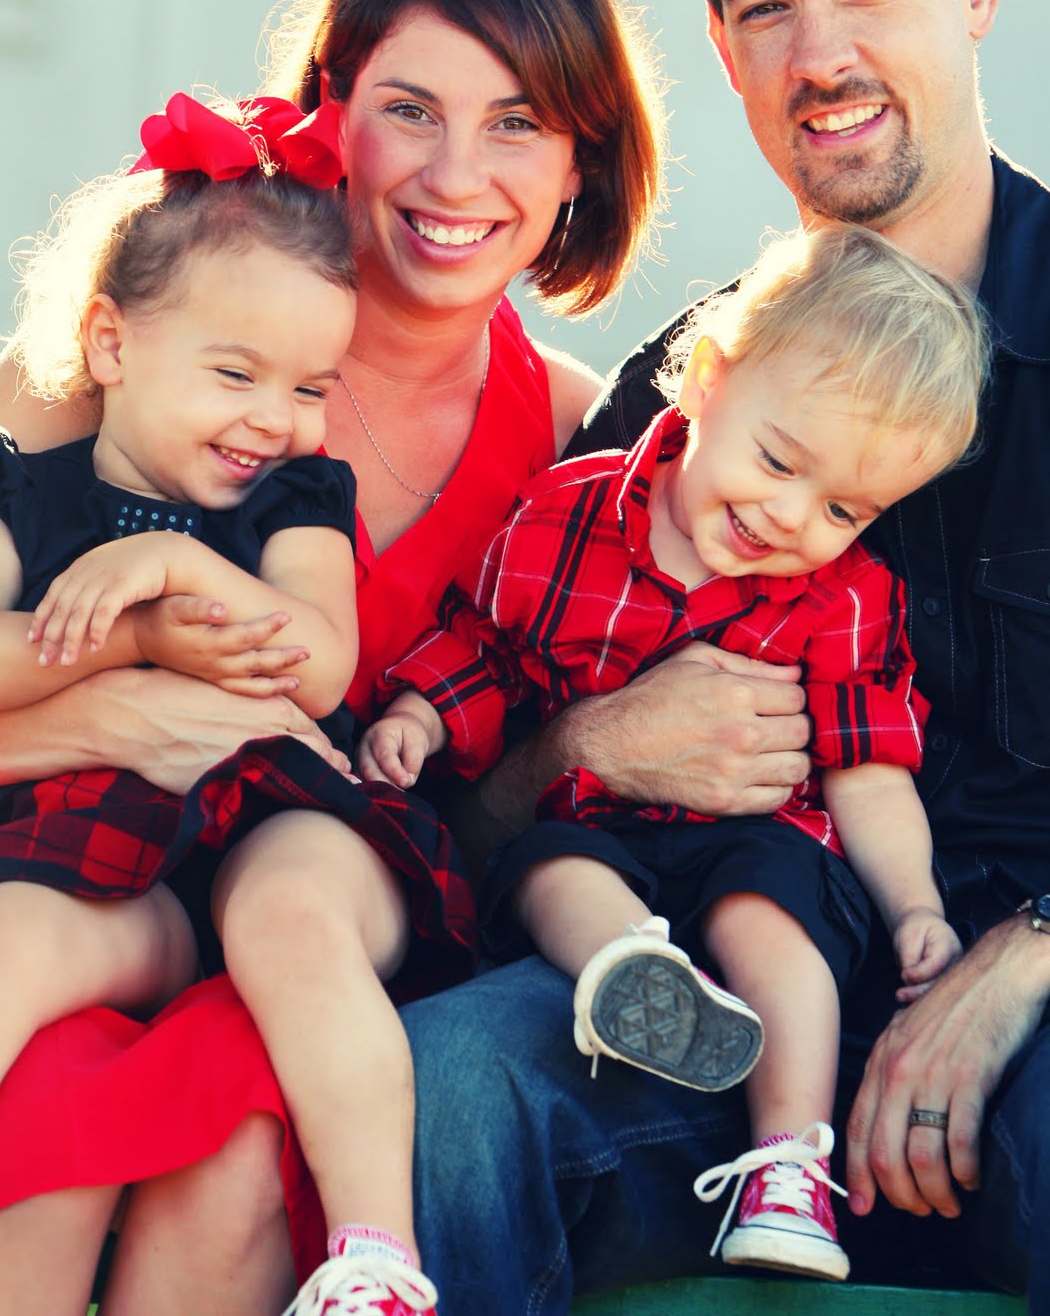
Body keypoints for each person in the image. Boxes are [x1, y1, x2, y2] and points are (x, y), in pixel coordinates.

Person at [0, 0, 665, 1316]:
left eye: (518, 122)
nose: (454, 172)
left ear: (578, 167)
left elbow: (503, 799)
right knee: (47, 1084)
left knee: (241, 1127)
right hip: (57, 870)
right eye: (408, 109)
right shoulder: (155, 326)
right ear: (332, 116)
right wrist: (115, 700)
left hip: (314, 922)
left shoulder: (574, 435)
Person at [361, 225, 986, 1283]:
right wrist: (420, 717)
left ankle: (786, 1166)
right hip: (599, 836)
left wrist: (915, 908)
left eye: (842, 508)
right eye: (778, 461)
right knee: (552, 866)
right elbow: (484, 649)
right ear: (705, 380)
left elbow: (868, 770)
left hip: (759, 845)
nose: (787, 516)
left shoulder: (844, 597)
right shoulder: (562, 518)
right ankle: (634, 979)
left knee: (770, 911)